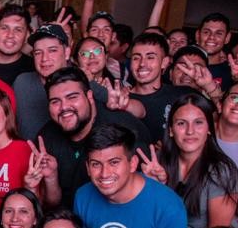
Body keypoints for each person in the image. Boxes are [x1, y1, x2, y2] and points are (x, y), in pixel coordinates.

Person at [75, 123, 186, 228]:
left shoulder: (167, 205)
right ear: (88, 168)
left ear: (133, 163)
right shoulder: (83, 196)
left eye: (114, 162)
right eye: (96, 164)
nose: (104, 173)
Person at [35, 66, 153, 209]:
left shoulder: (123, 129)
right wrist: (51, 178)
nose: (64, 107)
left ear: (90, 96)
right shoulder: (46, 138)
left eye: (72, 97)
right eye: (55, 101)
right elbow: (50, 205)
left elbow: (147, 196)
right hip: (68, 219)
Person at [151, 93, 238, 228]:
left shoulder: (221, 170)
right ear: (171, 130)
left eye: (198, 123)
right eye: (181, 123)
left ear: (209, 128)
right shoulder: (159, 161)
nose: (190, 131)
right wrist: (151, 186)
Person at [127, 31, 188, 142]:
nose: (142, 64)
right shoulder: (121, 100)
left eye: (150, 57)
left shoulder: (180, 96)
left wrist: (208, 86)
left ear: (164, 62)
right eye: (136, 58)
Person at [0, 6, 34, 88]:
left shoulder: (34, 68)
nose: (10, 35)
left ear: (27, 35)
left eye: (18, 30)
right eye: (4, 28)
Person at [194, 13, 233, 92]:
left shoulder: (231, 72)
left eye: (219, 33)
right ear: (198, 35)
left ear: (227, 38)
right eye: (206, 32)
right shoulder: (184, 66)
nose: (211, 37)